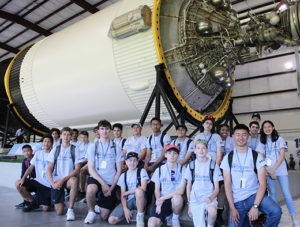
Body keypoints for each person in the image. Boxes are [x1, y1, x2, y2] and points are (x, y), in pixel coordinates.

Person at [220, 124, 282, 227]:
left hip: (254, 195)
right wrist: (232, 207)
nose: (241, 138)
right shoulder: (228, 158)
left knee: (276, 211)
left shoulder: (256, 156)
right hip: (237, 200)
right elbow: (227, 185)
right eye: (238, 135)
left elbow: (263, 184)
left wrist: (255, 206)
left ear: (248, 136)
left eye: (244, 135)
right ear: (233, 137)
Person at [256, 120, 299, 227]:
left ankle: (294, 218)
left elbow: (281, 157)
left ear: (273, 127)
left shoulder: (279, 139)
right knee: (273, 195)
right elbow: (261, 158)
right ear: (263, 129)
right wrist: (268, 171)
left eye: (269, 126)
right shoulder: (262, 141)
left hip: (280, 170)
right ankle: (276, 218)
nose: (267, 129)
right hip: (268, 171)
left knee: (286, 194)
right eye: (265, 127)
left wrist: (273, 170)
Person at [84, 120, 123, 224]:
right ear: (98, 131)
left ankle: (99, 205)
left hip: (111, 181)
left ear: (109, 130)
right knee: (91, 189)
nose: (104, 131)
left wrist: (111, 187)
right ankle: (91, 211)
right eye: (102, 129)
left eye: (106, 128)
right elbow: (90, 168)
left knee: (104, 217)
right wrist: (103, 184)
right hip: (97, 178)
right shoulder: (93, 146)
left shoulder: (116, 147)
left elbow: (119, 170)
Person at [184, 139, 223, 227]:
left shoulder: (213, 165)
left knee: (212, 211)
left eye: (203, 148)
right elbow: (188, 186)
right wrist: (189, 204)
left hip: (209, 197)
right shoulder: (191, 165)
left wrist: (210, 197)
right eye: (198, 148)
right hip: (195, 199)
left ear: (207, 150)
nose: (201, 150)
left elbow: (217, 188)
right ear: (194, 151)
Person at [47, 127, 81, 221]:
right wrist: (52, 183)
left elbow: (77, 169)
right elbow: (49, 168)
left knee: (74, 181)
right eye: (64, 134)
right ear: (61, 136)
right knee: (59, 212)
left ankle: (70, 209)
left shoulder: (75, 149)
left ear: (71, 136)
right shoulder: (55, 149)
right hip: (56, 180)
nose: (66, 136)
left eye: (68, 134)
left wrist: (63, 180)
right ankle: (62, 202)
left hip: (68, 179)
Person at [148, 145, 185, 227]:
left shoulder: (183, 169)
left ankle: (175, 218)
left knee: (177, 198)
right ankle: (168, 217)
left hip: (175, 200)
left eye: (175, 153)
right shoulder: (159, 170)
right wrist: (158, 201)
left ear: (178, 156)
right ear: (165, 155)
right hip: (163, 200)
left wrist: (162, 198)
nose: (172, 155)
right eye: (169, 153)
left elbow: (181, 190)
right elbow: (156, 190)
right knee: (151, 224)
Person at [108, 152, 149, 226]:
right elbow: (123, 195)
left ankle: (140, 215)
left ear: (137, 162)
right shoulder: (123, 176)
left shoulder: (142, 171)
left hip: (140, 200)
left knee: (139, 191)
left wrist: (128, 192)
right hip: (128, 201)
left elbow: (144, 188)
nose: (132, 163)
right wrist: (125, 208)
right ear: (126, 162)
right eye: (130, 160)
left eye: (134, 160)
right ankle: (131, 215)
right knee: (111, 220)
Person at [17, 136, 53, 212]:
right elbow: (30, 168)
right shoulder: (38, 153)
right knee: (18, 183)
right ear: (42, 143)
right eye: (45, 141)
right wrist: (23, 179)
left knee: (46, 209)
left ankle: (47, 201)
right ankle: (33, 202)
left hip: (48, 185)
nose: (46, 143)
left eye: (48, 141)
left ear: (52, 143)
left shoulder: (54, 154)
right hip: (38, 182)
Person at [15, 145, 37, 210]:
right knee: (18, 183)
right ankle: (28, 201)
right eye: (24, 151)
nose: (26, 153)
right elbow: (22, 175)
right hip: (32, 181)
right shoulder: (25, 161)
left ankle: (33, 202)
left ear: (32, 151)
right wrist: (22, 181)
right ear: (23, 153)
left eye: (28, 150)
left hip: (39, 182)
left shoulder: (36, 158)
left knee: (46, 207)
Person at [77, 131, 90, 197]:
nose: (83, 139)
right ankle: (75, 190)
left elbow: (87, 158)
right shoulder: (79, 145)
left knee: (82, 170)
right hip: (80, 162)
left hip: (88, 162)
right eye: (81, 137)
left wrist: (80, 162)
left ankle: (82, 190)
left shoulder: (91, 145)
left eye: (85, 137)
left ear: (87, 137)